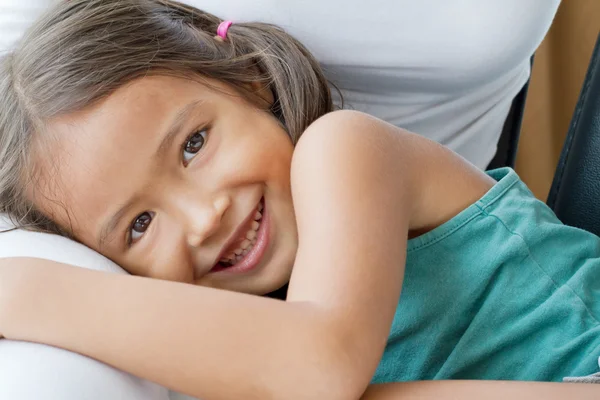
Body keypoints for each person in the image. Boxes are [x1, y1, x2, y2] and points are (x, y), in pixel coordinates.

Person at [1, 1, 598, 400]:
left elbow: (324, 364)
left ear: (249, 82)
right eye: (139, 225)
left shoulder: (344, 150)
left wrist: (33, 293)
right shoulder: (247, 331)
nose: (205, 217)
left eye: (193, 145)